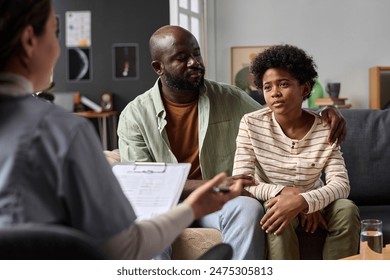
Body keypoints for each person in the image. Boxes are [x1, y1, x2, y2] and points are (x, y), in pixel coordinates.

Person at [0, 0, 243, 260]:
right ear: (29, 41)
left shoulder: (229, 98)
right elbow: (124, 248)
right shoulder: (63, 133)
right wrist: (193, 208)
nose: (59, 48)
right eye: (55, 32)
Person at [117, 25, 347, 259]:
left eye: (196, 53)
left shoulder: (229, 98)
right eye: (181, 58)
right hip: (166, 206)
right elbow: (144, 182)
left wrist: (325, 113)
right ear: (159, 67)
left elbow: (280, 117)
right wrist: (217, 183)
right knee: (145, 220)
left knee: (248, 209)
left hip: (221, 203)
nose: (194, 62)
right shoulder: (134, 115)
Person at [232, 44, 360, 260]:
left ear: (305, 88)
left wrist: (306, 201)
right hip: (275, 199)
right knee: (279, 212)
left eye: (284, 84)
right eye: (267, 87)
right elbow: (242, 181)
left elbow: (341, 185)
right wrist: (285, 194)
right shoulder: (251, 124)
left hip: (318, 200)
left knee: (347, 209)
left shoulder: (325, 126)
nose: (275, 94)